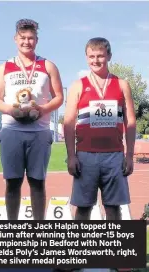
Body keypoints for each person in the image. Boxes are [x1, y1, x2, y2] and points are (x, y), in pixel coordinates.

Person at [0, 19, 63, 220]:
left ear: (36, 40)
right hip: (12, 131)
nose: (27, 42)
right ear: (16, 39)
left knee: (37, 182)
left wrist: (43, 109)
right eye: (23, 38)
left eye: (31, 38)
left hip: (39, 132)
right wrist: (11, 111)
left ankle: (37, 231)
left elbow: (59, 97)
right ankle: (13, 230)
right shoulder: (4, 68)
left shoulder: (48, 65)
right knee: (12, 183)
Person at [64, 37, 136, 220]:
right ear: (86, 57)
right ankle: (81, 249)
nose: (95, 60)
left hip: (114, 155)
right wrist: (71, 156)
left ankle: (112, 247)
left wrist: (129, 156)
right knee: (83, 208)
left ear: (109, 56)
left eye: (100, 56)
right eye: (91, 56)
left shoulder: (122, 85)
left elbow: (130, 122)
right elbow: (69, 123)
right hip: (85, 155)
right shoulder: (78, 86)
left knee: (113, 208)